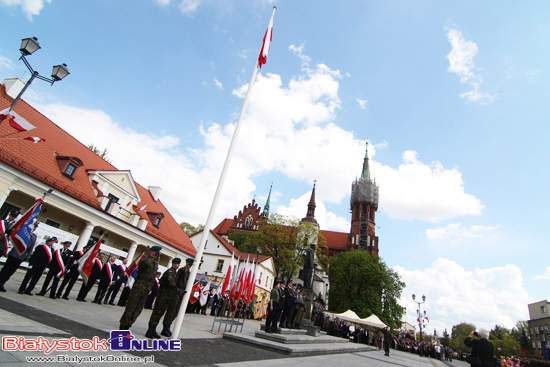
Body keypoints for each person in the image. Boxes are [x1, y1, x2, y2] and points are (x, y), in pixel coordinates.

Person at [119, 246, 161, 330]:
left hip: (146, 289)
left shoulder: (155, 262)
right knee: (131, 306)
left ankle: (130, 322)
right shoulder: (146, 259)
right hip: (139, 287)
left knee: (139, 308)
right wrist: (155, 258)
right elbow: (146, 264)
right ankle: (123, 324)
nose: (158, 254)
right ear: (153, 251)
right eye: (157, 252)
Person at [146, 258, 181, 338]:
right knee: (157, 313)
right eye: (177, 263)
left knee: (160, 313)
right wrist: (179, 291)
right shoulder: (170, 272)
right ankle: (150, 330)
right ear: (173, 264)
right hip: (163, 295)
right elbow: (172, 283)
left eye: (179, 264)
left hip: (167, 296)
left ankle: (153, 329)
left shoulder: (174, 273)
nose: (178, 265)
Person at [0, 221, 38, 292]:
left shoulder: (34, 236)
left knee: (11, 271)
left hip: (21, 256)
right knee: (6, 269)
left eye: (35, 227)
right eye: (33, 226)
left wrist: (28, 256)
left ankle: (2, 283)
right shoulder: (23, 232)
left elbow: (31, 247)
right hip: (14, 253)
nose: (34, 228)